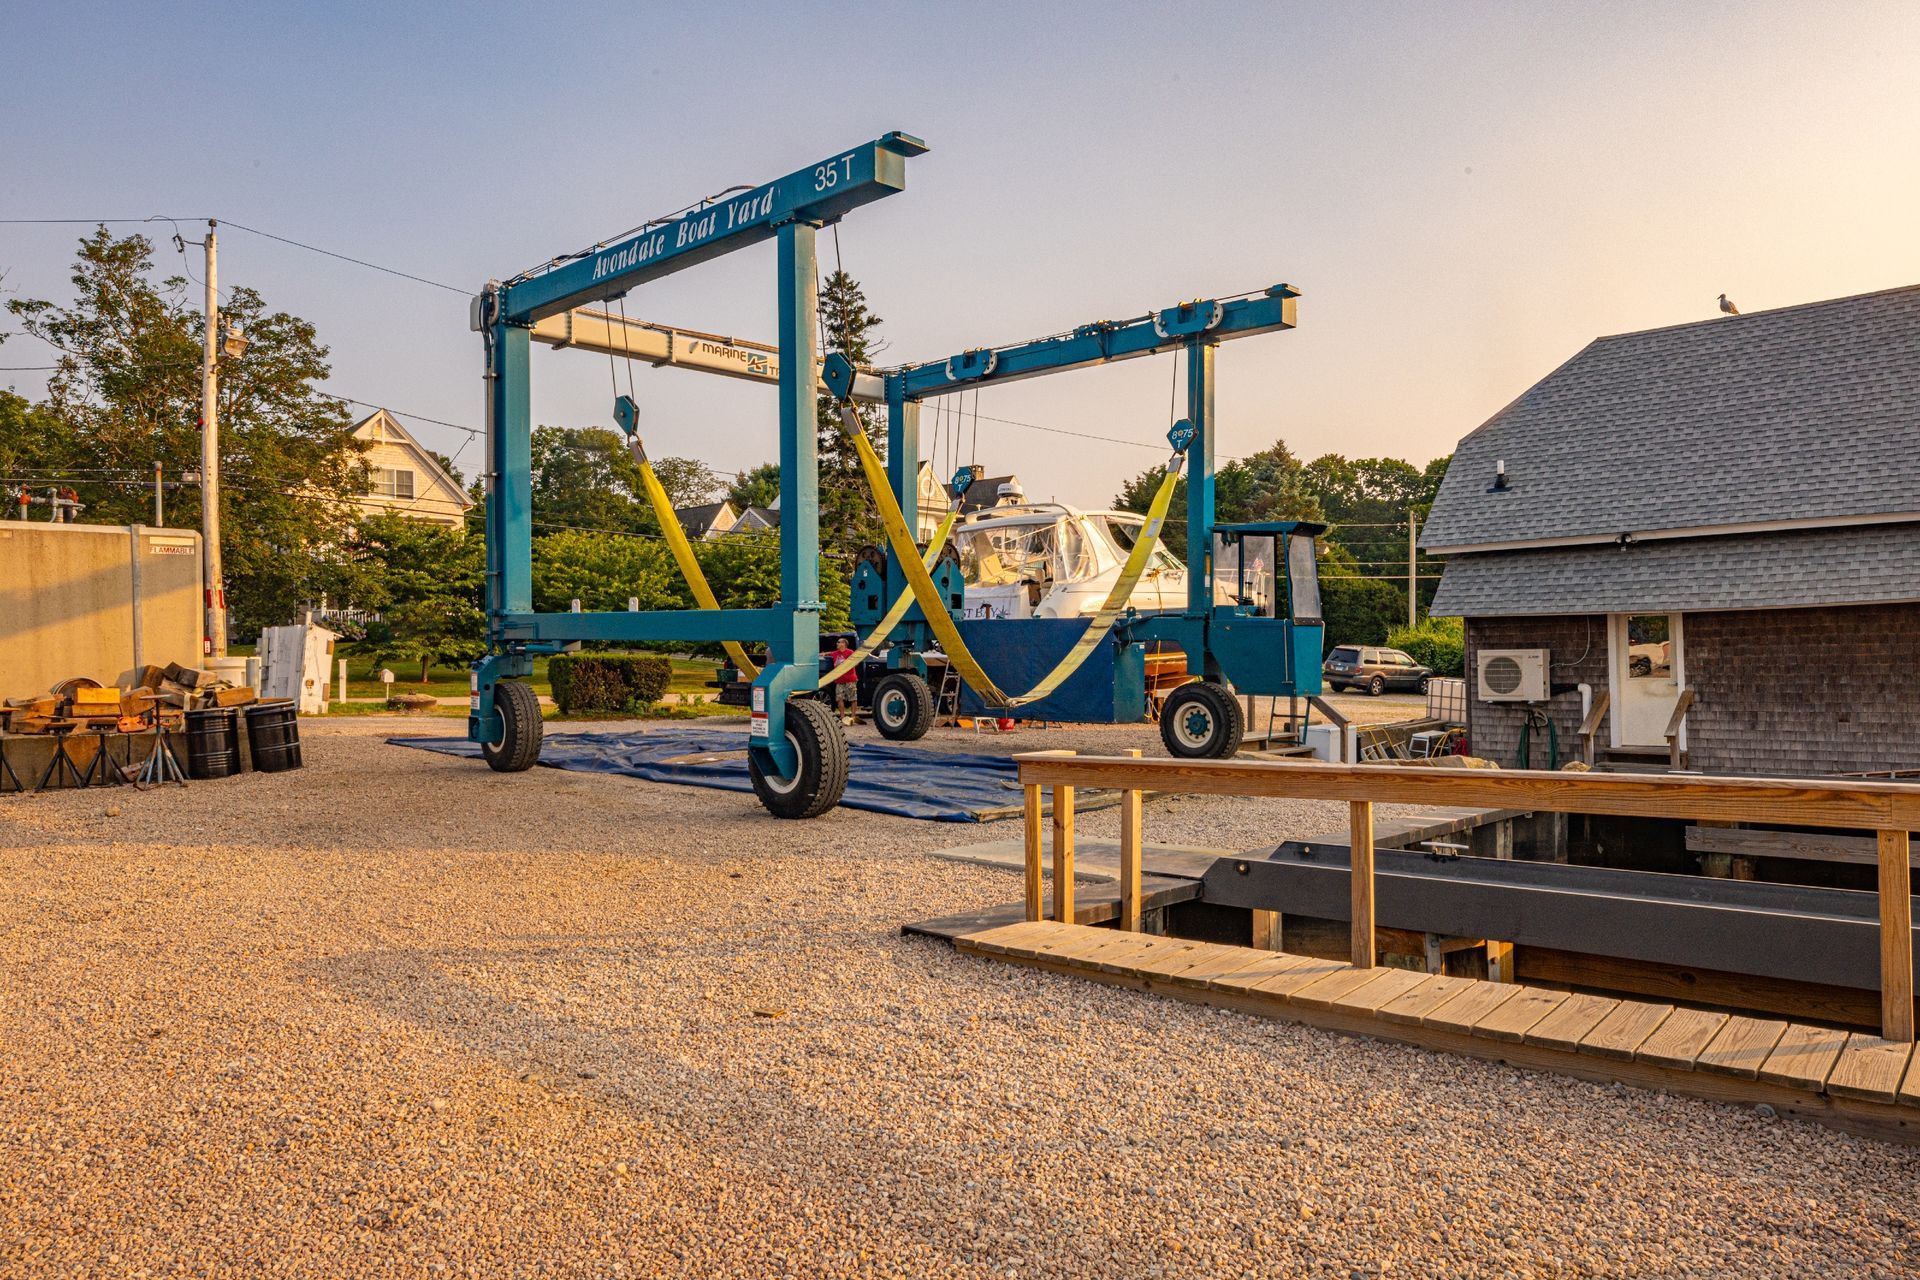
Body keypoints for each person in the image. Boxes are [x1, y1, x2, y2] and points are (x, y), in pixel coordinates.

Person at [830, 637, 859, 720]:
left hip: (850, 680)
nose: (837, 643)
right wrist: (822, 654)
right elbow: (828, 653)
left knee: (853, 698)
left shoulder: (850, 652)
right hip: (839, 680)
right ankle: (842, 717)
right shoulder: (835, 653)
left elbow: (855, 663)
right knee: (839, 699)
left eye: (838, 642)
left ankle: (853, 717)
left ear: (844, 644)